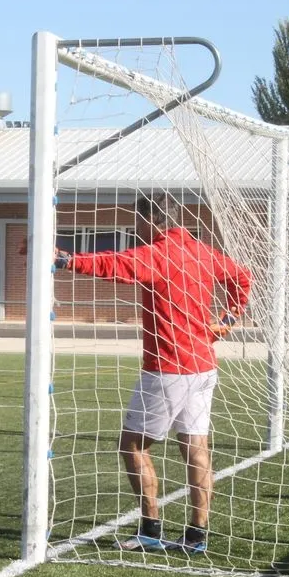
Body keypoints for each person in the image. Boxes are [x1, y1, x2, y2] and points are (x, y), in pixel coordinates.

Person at [54, 192, 252, 553]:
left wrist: (67, 259)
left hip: (167, 367)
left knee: (132, 445)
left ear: (150, 221)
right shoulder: (203, 252)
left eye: (137, 222)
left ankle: (150, 529)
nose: (136, 229)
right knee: (196, 449)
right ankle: (196, 536)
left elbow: (113, 265)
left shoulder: (157, 253)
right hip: (204, 365)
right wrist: (225, 322)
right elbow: (242, 278)